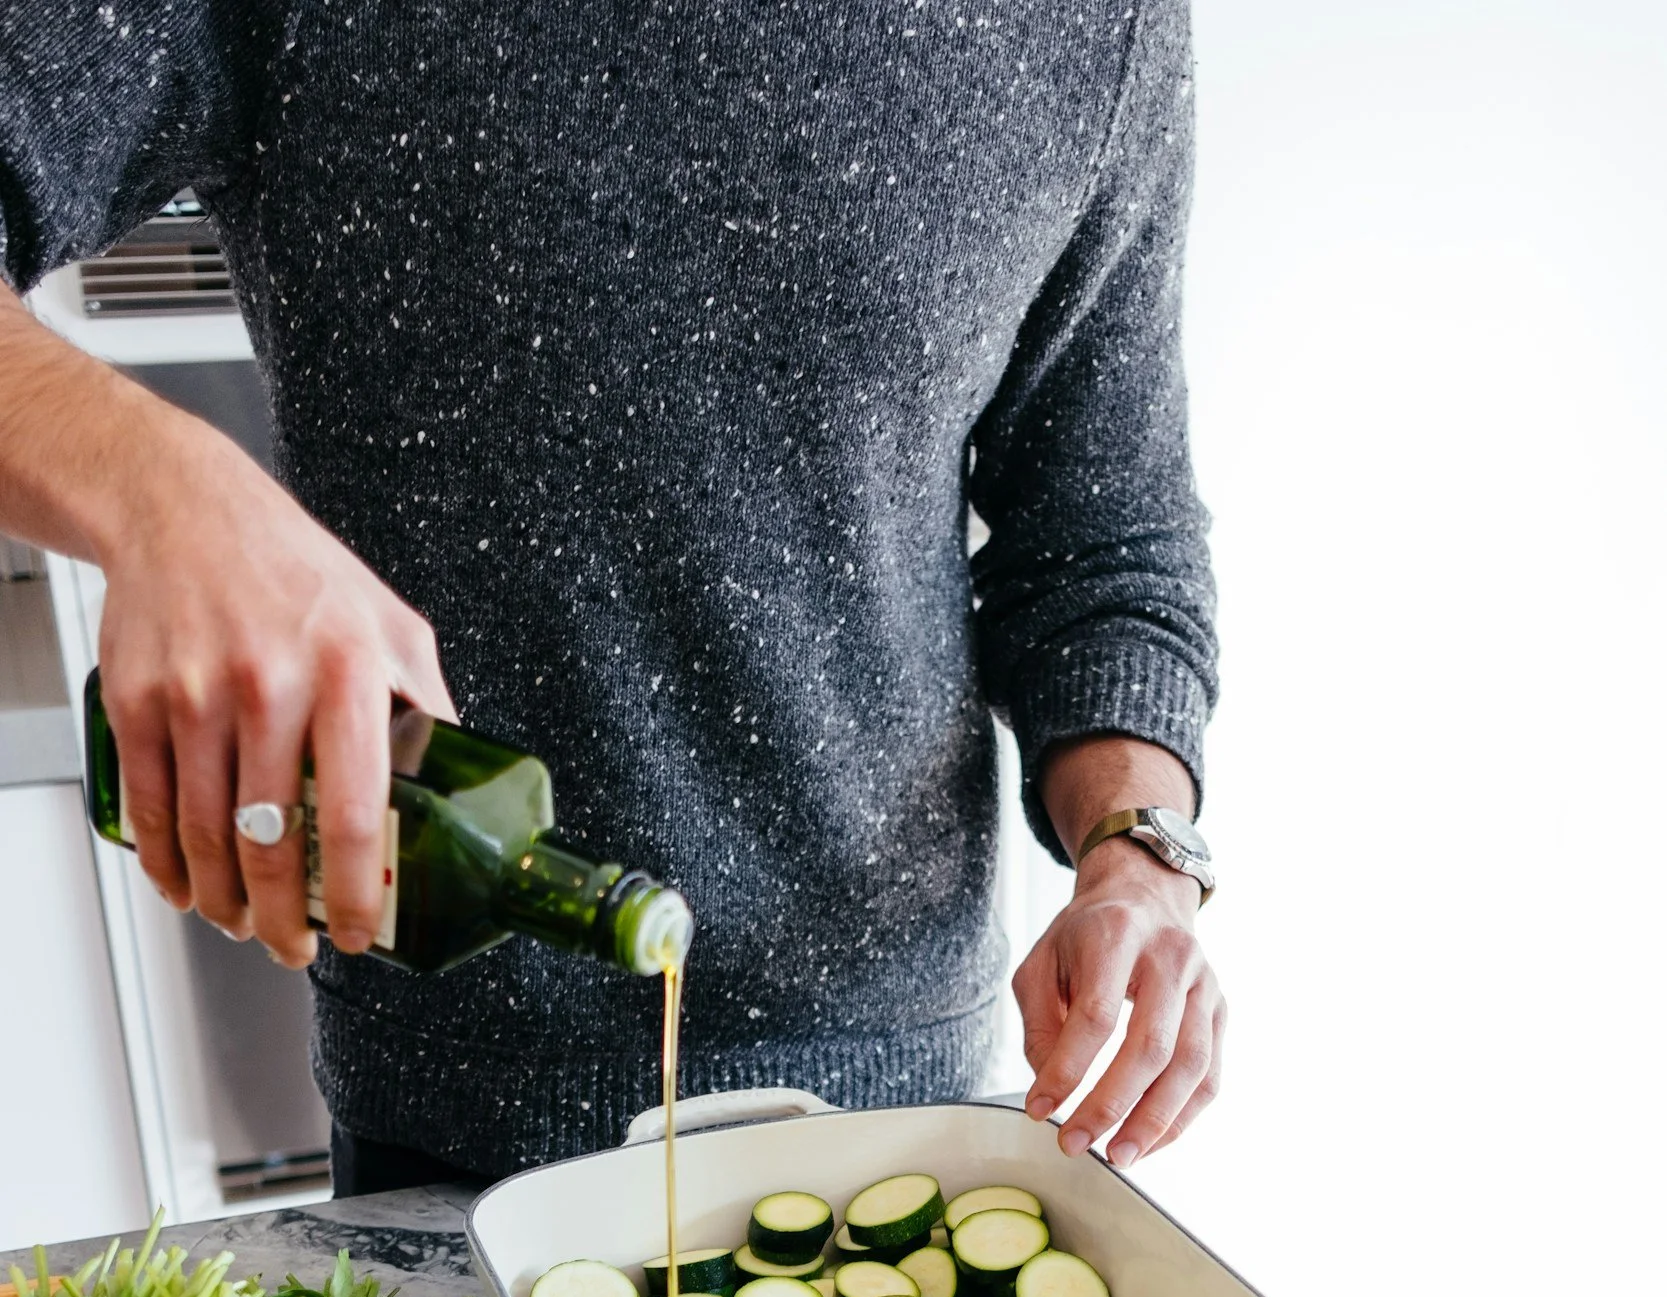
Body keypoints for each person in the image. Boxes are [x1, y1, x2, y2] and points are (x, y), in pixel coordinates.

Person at [0, 0, 1223, 1195]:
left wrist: (1137, 855)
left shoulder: (1098, 27)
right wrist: (166, 490)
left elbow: (1102, 536)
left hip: (899, 1096)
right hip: (455, 1104)